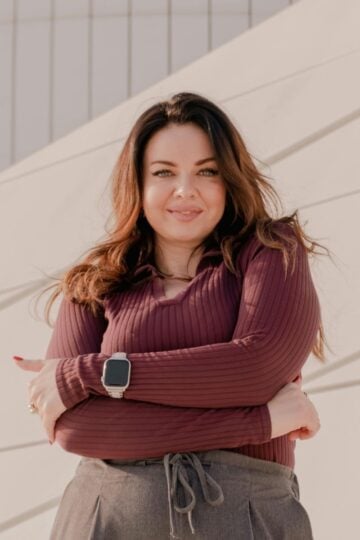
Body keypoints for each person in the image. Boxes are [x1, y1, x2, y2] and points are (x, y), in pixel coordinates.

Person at [14, 92, 330, 539]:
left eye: (207, 171)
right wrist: (258, 422)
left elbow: (254, 369)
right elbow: (74, 428)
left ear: (230, 179)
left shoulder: (272, 250)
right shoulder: (93, 283)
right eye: (164, 173)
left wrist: (92, 374)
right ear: (138, 184)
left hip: (244, 519)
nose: (185, 190)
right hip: (105, 520)